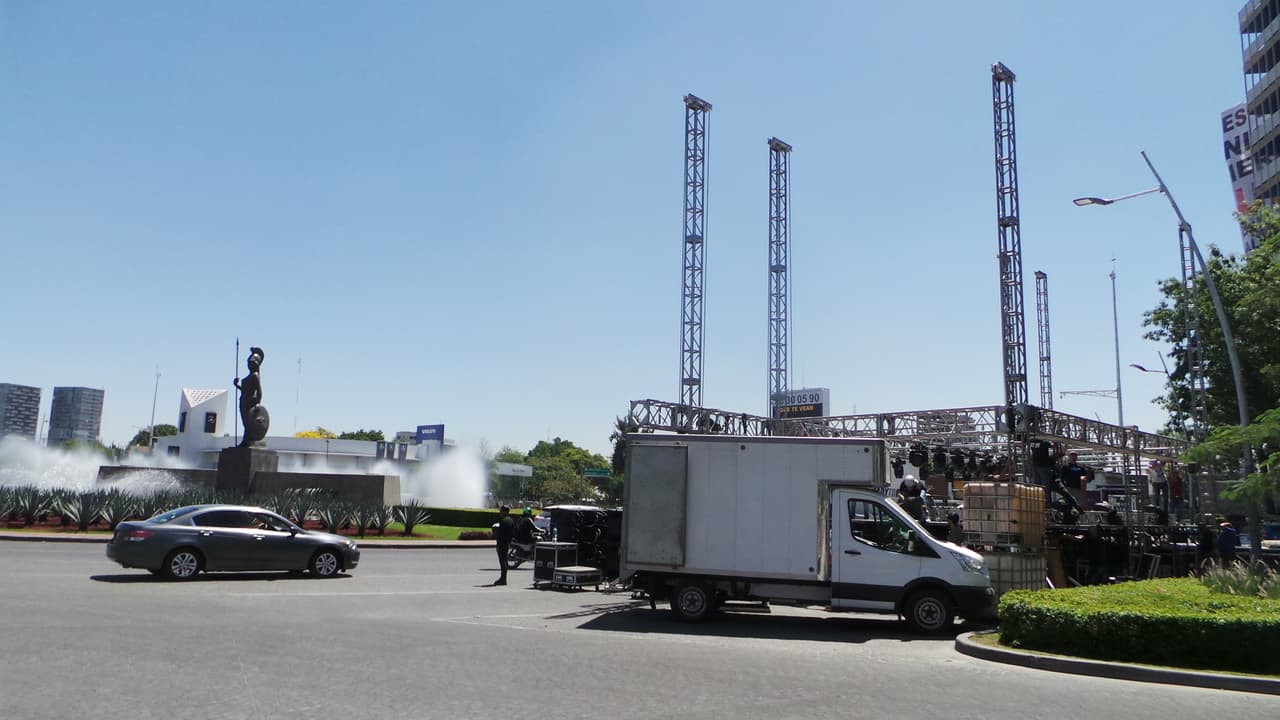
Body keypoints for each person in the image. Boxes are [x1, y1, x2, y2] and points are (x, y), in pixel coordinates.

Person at [493, 505, 515, 585]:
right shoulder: (511, 520)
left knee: (502, 561)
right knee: (505, 560)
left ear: (505, 512)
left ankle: (503, 579)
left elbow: (500, 533)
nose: (500, 512)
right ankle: (503, 578)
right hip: (507, 543)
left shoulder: (503, 521)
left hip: (502, 543)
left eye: (501, 511)